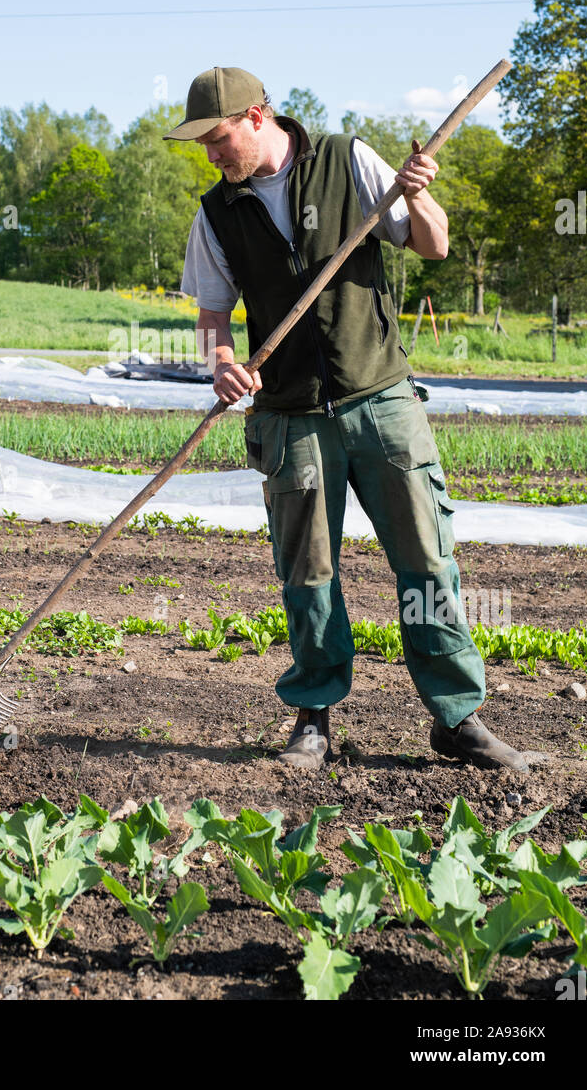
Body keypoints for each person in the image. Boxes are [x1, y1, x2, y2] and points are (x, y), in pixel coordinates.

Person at [166, 66, 528, 773]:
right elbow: (213, 314)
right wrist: (221, 364)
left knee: (426, 558)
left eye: (216, 138)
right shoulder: (216, 214)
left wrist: (418, 197)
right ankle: (313, 720)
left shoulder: (346, 160)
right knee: (308, 573)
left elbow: (433, 244)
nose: (211, 154)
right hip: (291, 414)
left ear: (257, 118)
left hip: (381, 398)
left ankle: (457, 717)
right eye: (204, 144)